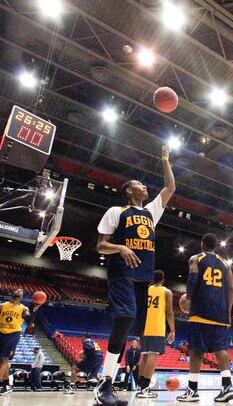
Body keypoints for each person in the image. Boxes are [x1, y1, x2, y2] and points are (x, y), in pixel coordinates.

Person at [95, 144, 175, 405]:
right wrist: (120, 247)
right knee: (125, 317)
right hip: (121, 274)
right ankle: (104, 383)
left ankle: (107, 385)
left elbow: (170, 188)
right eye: (140, 184)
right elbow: (100, 245)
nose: (145, 187)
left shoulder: (151, 213)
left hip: (143, 278)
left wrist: (164, 159)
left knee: (130, 328)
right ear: (129, 191)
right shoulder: (116, 212)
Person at [176, 233, 233, 403]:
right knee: (221, 349)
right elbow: (231, 288)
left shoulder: (196, 258)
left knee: (196, 350)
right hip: (221, 313)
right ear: (216, 246)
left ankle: (192, 391)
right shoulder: (226, 264)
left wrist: (188, 299)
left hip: (201, 310)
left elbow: (193, 277)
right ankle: (227, 386)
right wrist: (228, 312)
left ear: (202, 244)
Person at [0, 289, 39, 396]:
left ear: (22, 297)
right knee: (2, 362)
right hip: (1, 334)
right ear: (12, 294)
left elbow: (29, 320)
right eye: (17, 290)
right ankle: (7, 385)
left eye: (20, 291)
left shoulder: (24, 308)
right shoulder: (2, 305)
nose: (18, 291)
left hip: (13, 335)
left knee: (4, 359)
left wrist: (35, 309)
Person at [136, 270, 175, 398]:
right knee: (153, 355)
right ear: (163, 279)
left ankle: (139, 387)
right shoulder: (167, 292)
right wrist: (173, 330)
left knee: (144, 356)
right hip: (156, 327)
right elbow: (169, 313)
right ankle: (145, 388)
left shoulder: (147, 289)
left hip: (144, 326)